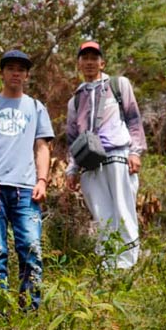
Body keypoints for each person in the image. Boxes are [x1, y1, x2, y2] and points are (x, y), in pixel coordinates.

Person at [0, 49, 54, 310]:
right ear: (1, 73)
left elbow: (42, 147)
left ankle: (29, 312)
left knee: (32, 250)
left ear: (27, 75)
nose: (16, 73)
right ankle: (0, 310)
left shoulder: (36, 107)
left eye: (21, 69)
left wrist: (42, 180)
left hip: (26, 190)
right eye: (10, 68)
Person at [64, 41, 147, 269]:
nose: (89, 62)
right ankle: (108, 266)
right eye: (85, 58)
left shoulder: (118, 85)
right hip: (89, 164)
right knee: (101, 216)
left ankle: (128, 266)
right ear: (79, 63)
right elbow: (72, 139)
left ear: (102, 63)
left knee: (124, 211)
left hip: (118, 156)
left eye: (94, 58)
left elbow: (133, 119)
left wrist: (135, 152)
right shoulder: (75, 100)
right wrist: (72, 169)